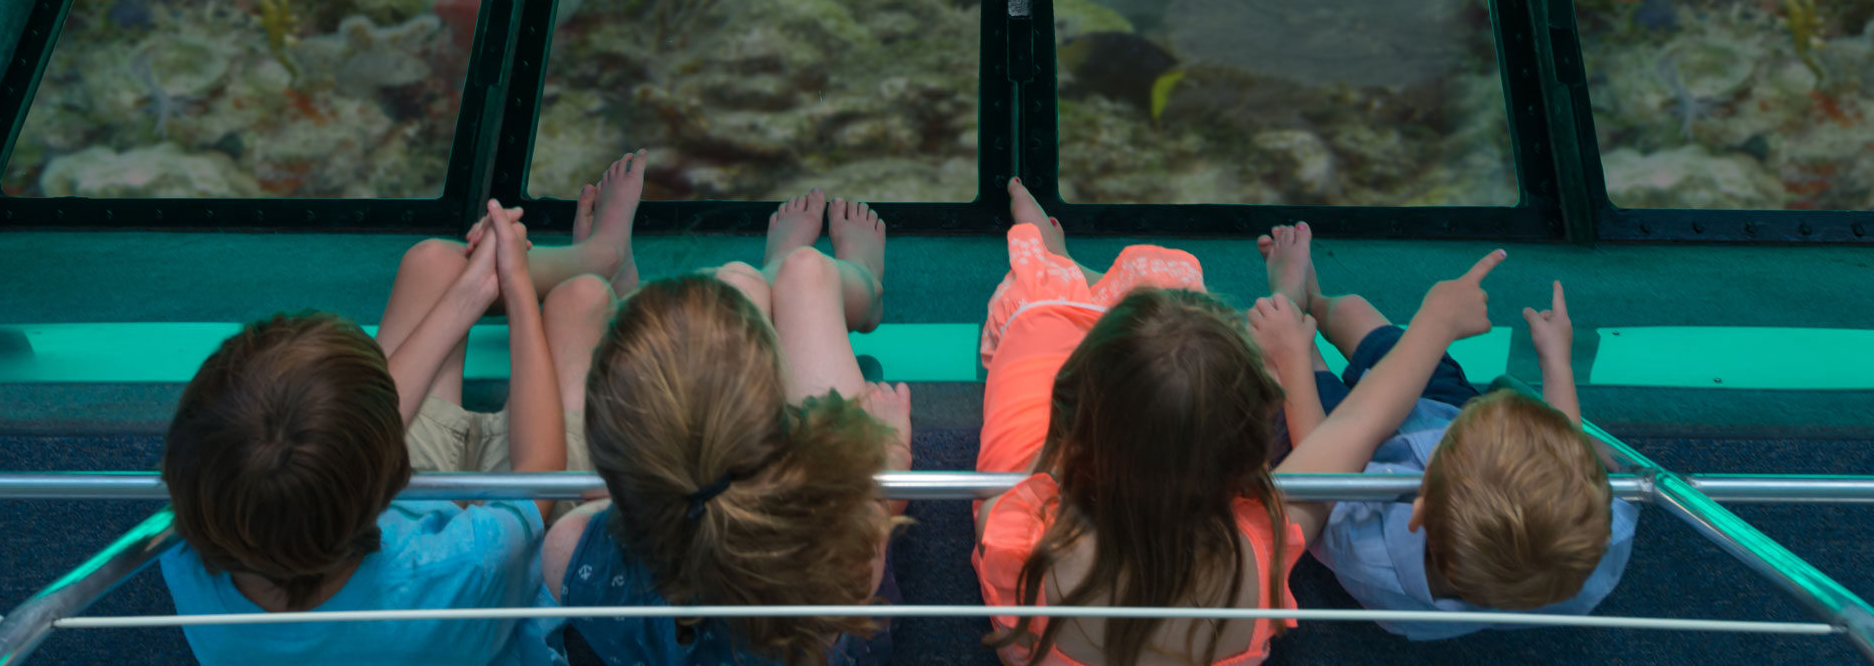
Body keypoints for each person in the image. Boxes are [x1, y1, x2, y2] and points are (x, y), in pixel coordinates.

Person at [973, 179, 1503, 666]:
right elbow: (1358, 427)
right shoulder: (1259, 550)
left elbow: (1360, 423)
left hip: (1047, 467)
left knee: (1042, 314)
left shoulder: (1016, 533)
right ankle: (1060, 266)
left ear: (1073, 430)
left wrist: (1437, 324)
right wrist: (1435, 322)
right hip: (1118, 450)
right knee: (1186, 348)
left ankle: (1050, 258)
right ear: (1249, 452)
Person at [158, 183, 617, 666]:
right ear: (386, 476)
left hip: (396, 527)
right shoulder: (464, 564)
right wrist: (516, 287)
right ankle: (603, 261)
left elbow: (321, 454)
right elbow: (536, 474)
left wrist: (474, 289)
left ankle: (588, 256)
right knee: (580, 300)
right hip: (492, 554)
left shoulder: (188, 549)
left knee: (433, 264)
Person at [541, 189, 909, 666]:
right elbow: (873, 536)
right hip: (828, 619)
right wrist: (890, 464)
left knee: (747, 284)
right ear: (783, 417)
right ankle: (850, 284)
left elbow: (593, 520)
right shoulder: (838, 559)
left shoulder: (567, 552)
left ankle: (770, 274)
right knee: (806, 274)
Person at [1252, 221, 1637, 640]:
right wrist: (1556, 362)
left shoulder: (1372, 551)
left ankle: (1290, 301)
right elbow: (1567, 458)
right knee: (1351, 312)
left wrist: (1291, 354)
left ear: (1419, 508)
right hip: (1439, 410)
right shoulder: (1597, 539)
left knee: (1288, 353)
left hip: (1352, 461)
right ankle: (1316, 301)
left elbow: (1320, 473)